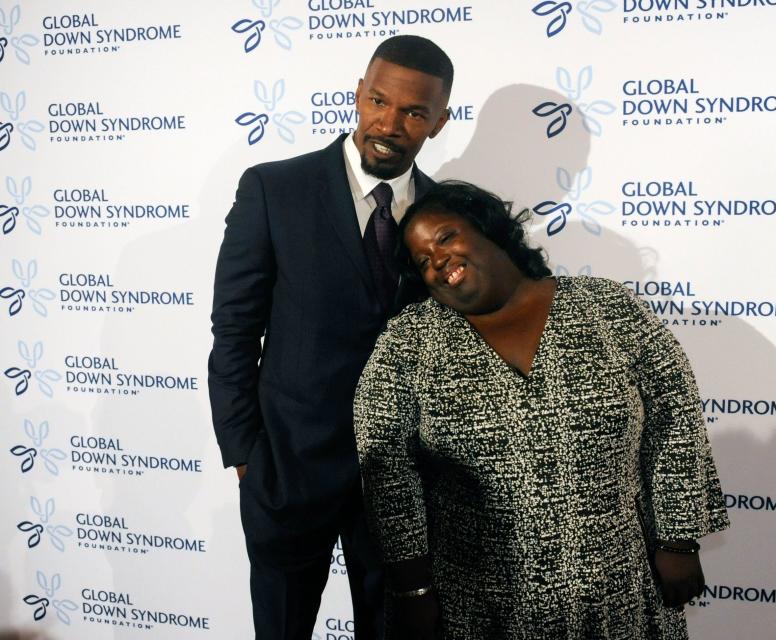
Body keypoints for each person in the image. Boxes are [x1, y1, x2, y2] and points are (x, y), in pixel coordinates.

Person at [354, 181, 729, 639]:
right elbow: (387, 466)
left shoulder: (607, 307)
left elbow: (675, 419)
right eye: (422, 260)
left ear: (489, 229)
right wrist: (412, 588)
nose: (437, 260)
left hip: (617, 589)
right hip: (475, 604)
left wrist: (677, 538)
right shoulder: (409, 341)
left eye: (446, 237)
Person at [207, 36, 453, 639]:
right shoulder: (273, 188)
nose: (389, 124)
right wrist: (246, 455)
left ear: (439, 122)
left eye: (414, 113)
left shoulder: (449, 213)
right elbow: (234, 329)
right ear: (359, 93)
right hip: (288, 472)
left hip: (404, 481)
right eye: (377, 101)